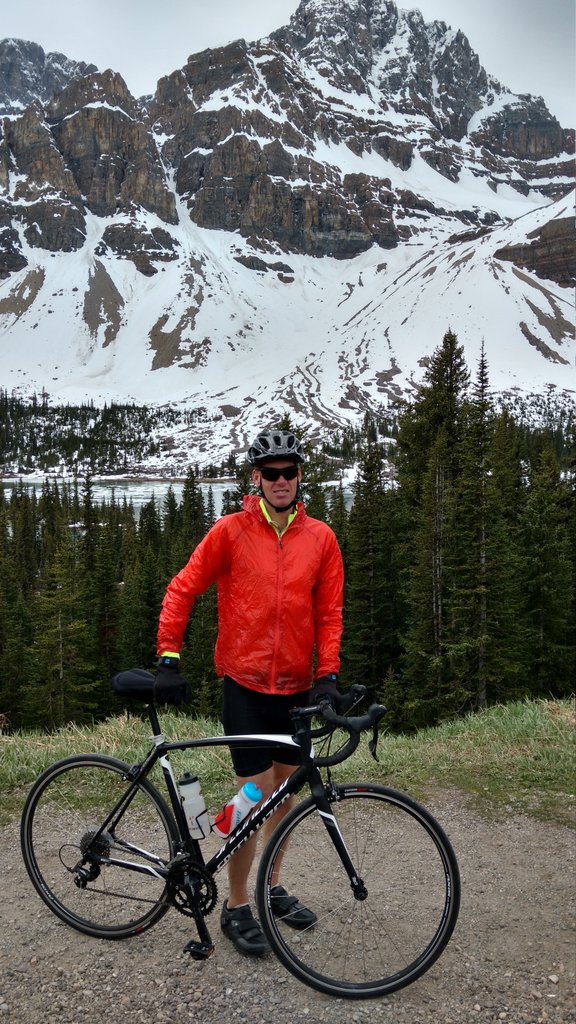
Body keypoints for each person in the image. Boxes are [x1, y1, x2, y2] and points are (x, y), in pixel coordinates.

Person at [155, 429, 344, 956]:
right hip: (245, 686)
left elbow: (329, 614)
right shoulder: (231, 532)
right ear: (255, 478)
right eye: (271, 472)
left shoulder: (321, 539)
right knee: (255, 796)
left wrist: (327, 676)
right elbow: (183, 585)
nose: (281, 481)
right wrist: (169, 654)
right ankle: (236, 904)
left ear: (300, 477)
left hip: (298, 690)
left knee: (285, 796)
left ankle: (270, 884)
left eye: (289, 472)